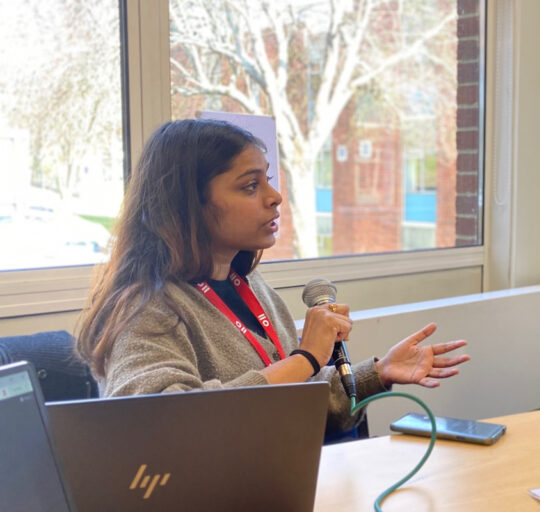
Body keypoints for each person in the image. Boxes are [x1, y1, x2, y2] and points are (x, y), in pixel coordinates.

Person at [76, 119, 470, 435]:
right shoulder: (142, 306)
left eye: (267, 180)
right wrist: (306, 358)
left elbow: (291, 400)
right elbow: (162, 421)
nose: (274, 197)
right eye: (250, 185)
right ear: (188, 203)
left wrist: (378, 372)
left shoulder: (248, 285)